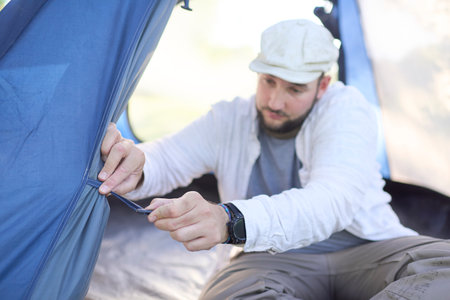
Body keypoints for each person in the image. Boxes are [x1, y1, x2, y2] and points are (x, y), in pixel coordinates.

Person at [97, 19, 450, 299]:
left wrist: (228, 220)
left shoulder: (347, 110)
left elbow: (331, 201)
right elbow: (168, 158)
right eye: (268, 81)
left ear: (322, 85)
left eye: (294, 89)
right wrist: (137, 163)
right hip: (267, 263)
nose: (275, 101)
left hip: (367, 251)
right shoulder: (230, 119)